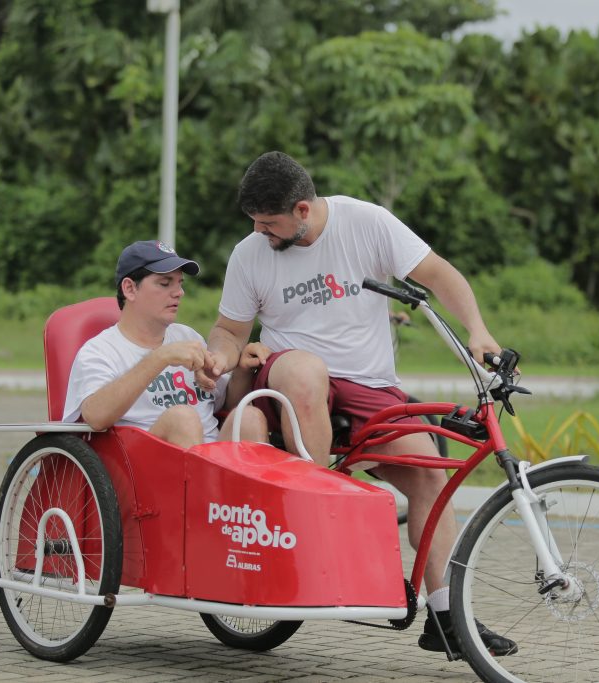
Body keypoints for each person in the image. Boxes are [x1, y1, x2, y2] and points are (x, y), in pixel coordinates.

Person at [203, 152, 517, 656]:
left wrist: (479, 332)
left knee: (431, 477)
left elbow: (439, 274)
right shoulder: (250, 254)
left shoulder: (366, 222)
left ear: (302, 210)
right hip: (290, 372)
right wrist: (219, 356)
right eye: (255, 224)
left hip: (369, 386)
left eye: (269, 224)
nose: (261, 233)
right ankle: (317, 524)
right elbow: (230, 329)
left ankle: (445, 616)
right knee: (306, 370)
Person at [63, 239, 269, 447]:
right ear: (130, 288)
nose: (179, 292)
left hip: (213, 460)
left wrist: (243, 369)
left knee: (249, 416)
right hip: (144, 466)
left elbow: (225, 404)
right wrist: (160, 357)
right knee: (182, 419)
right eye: (165, 283)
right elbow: (95, 415)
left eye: (180, 283)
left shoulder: (187, 336)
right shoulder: (100, 351)